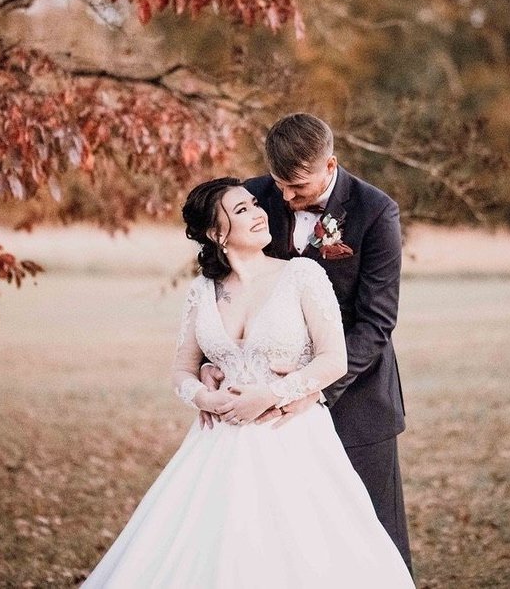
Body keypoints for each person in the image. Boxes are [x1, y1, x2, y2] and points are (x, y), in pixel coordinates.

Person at [81, 177, 414, 588]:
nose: (259, 213)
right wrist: (204, 396)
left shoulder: (302, 275)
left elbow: (334, 359)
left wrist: (273, 393)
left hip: (292, 437)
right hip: (217, 443)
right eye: (242, 211)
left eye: (255, 204)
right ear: (216, 233)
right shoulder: (203, 291)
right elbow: (182, 368)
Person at [200, 113, 412, 572]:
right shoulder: (252, 197)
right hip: (263, 418)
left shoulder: (376, 213)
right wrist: (211, 359)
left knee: (372, 542)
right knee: (275, 541)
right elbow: (221, 283)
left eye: (299, 187)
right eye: (280, 185)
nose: (287, 198)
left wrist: (310, 389)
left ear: (330, 164)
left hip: (357, 401)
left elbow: (376, 322)